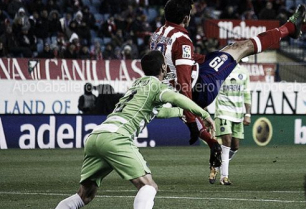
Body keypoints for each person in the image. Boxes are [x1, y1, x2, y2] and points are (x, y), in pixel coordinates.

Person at [150, 0, 306, 168]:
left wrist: (209, 57)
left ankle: (290, 28)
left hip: (184, 88)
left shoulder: (157, 35)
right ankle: (289, 28)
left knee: (230, 49)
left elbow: (175, 64)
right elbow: (184, 84)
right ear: (185, 18)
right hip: (202, 88)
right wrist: (192, 122)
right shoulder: (182, 40)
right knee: (241, 48)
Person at [55, 51, 215, 209]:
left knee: (85, 195)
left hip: (96, 136)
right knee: (149, 186)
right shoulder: (156, 85)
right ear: (163, 67)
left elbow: (158, 112)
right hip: (116, 138)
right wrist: (204, 114)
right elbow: (176, 98)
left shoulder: (137, 85)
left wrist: (181, 112)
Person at [209, 63, 251, 185]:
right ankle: (224, 177)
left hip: (238, 114)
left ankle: (215, 166)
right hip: (223, 111)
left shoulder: (243, 72)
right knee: (226, 141)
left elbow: (247, 95)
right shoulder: (220, 71)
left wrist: (248, 114)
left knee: (235, 146)